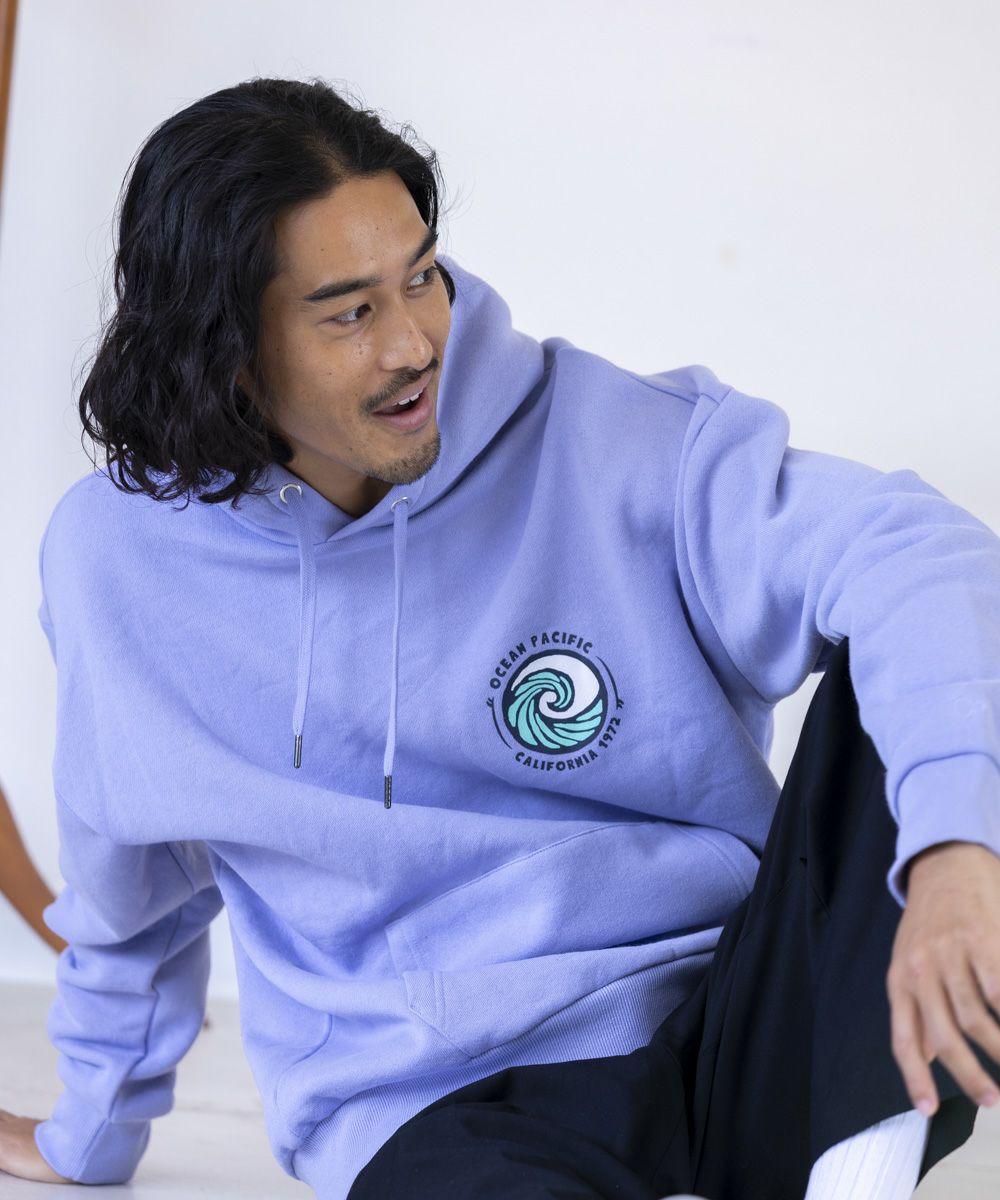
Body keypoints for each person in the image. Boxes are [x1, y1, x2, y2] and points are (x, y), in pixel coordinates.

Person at [1, 76, 999, 1200]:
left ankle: (854, 1161)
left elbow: (916, 551)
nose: (414, 342)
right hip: (436, 1102)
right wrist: (91, 1129)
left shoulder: (611, 441)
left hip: (740, 1023)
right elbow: (130, 879)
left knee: (934, 648)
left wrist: (955, 856)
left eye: (419, 277)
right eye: (349, 312)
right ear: (225, 348)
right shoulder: (121, 564)